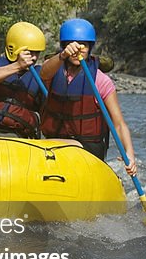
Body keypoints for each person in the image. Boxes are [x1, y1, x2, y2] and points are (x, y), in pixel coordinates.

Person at [38, 17, 137, 175]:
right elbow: (43, 73)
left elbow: (119, 124)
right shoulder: (54, 70)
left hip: (88, 150)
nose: (78, 49)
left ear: (90, 47)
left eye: (83, 45)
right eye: (72, 44)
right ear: (64, 46)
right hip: (54, 145)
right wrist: (62, 56)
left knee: (57, 146)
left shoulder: (101, 80)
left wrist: (130, 154)